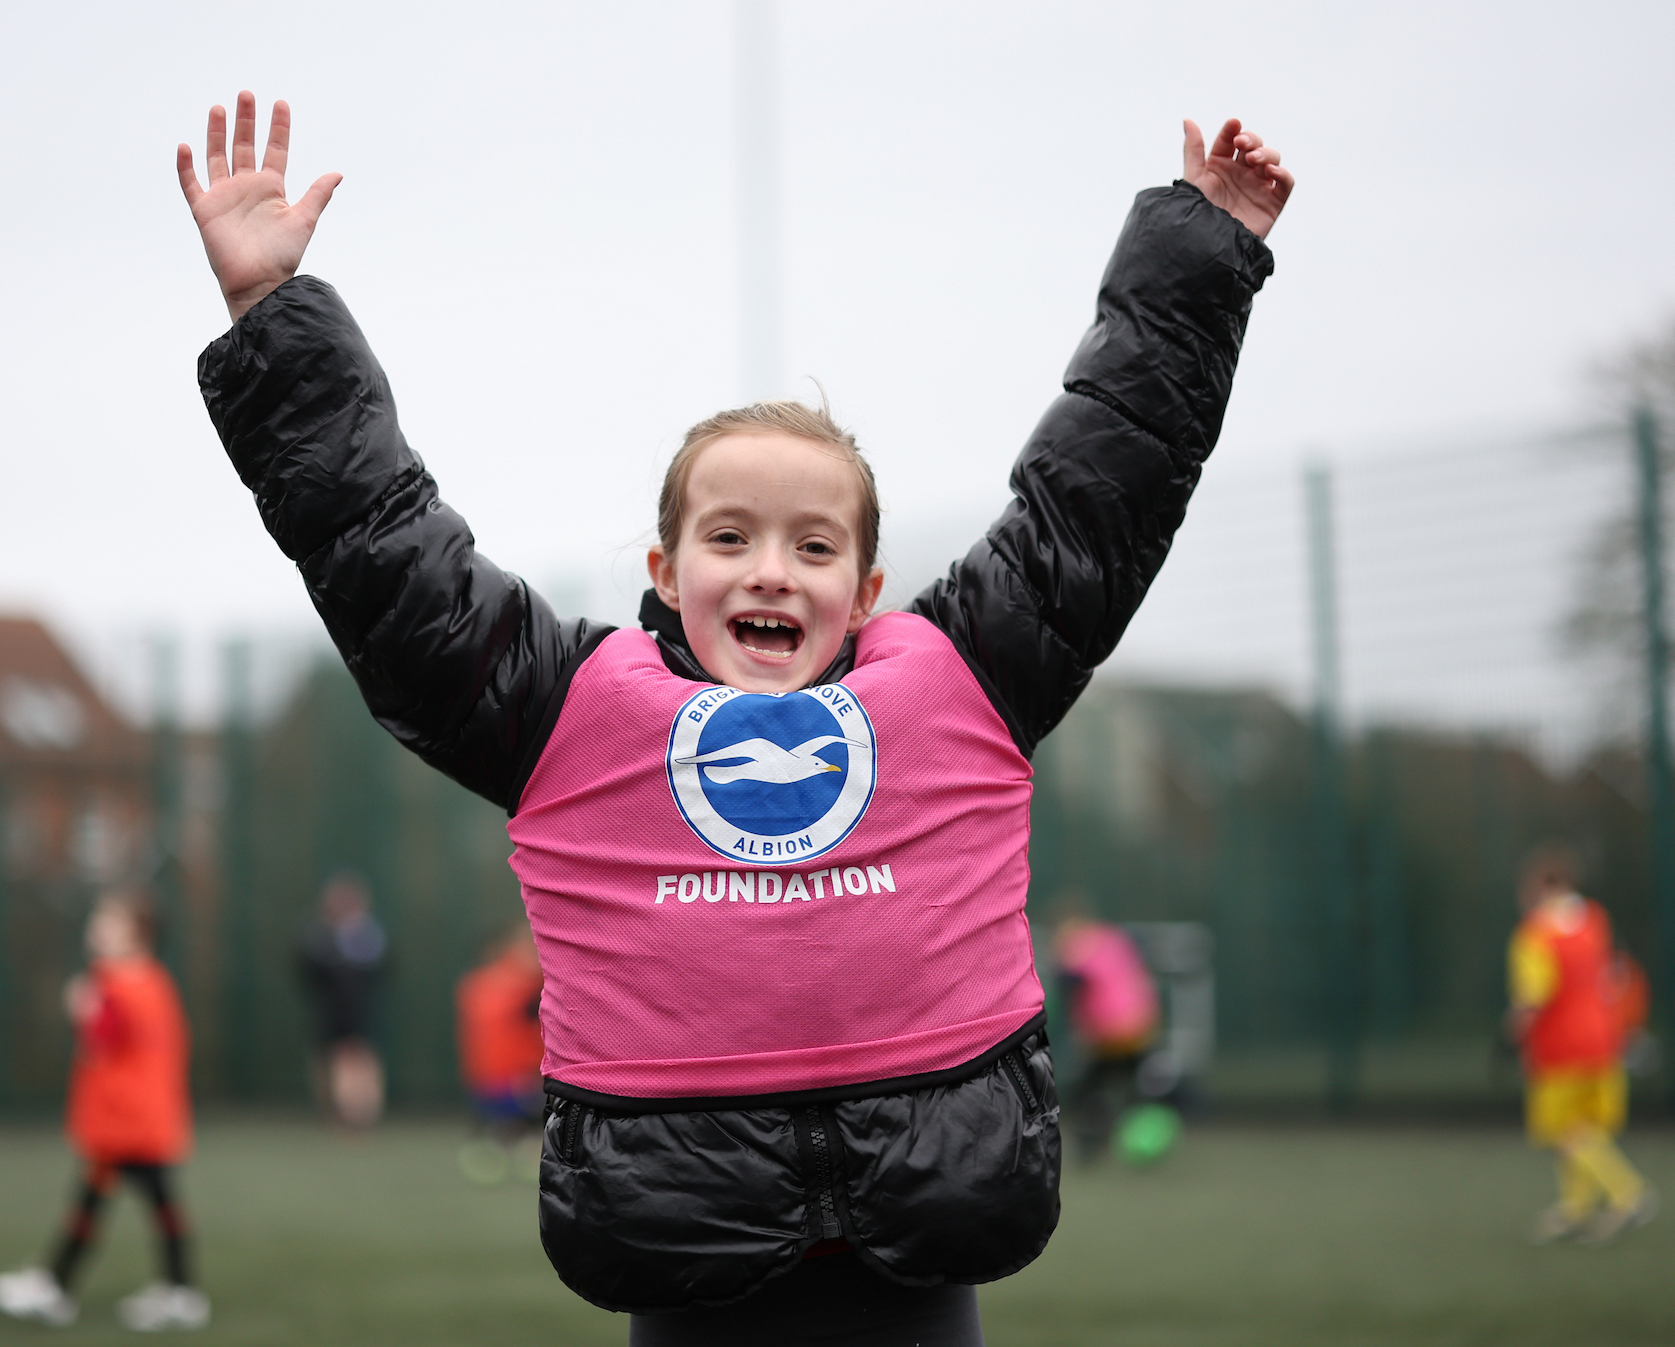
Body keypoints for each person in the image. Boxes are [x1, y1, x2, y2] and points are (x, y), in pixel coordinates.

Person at [178, 90, 1289, 1344]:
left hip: (925, 1251)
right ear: (663, 571)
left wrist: (1201, 254)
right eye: (729, 536)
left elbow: (1105, 485)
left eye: (813, 545)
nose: (770, 569)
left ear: (866, 590)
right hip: (683, 1257)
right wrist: (270, 313)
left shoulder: (960, 674)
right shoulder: (569, 711)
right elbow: (382, 549)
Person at [0, 893, 208, 1332]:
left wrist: (80, 1008)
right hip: (142, 1114)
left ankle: (69, 1287)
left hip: (127, 1119)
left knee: (140, 1198)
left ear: (137, 933)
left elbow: (101, 1041)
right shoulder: (154, 981)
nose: (97, 927)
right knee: (126, 1198)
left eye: (108, 921)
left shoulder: (116, 984)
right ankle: (66, 1284)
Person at [1507, 845, 1654, 1245]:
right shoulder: (1594, 920)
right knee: (1586, 1128)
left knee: (1566, 1132)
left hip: (1560, 1047)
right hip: (1604, 1041)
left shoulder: (1534, 934)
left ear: (1539, 886)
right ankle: (1577, 1207)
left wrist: (1513, 1036)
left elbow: (1534, 995)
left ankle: (1628, 1192)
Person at [1053, 915, 1159, 1162]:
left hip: (1111, 1031)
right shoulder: (1112, 939)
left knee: (1091, 1090)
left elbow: (1072, 981)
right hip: (1139, 1022)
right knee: (1129, 1086)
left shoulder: (1078, 946)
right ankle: (1143, 1136)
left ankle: (1092, 1141)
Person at [295, 872, 388, 1128]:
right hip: (329, 1014)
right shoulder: (319, 936)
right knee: (326, 1065)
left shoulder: (369, 936)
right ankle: (334, 1114)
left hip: (358, 1015)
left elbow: (380, 969)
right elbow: (308, 970)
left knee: (357, 1065)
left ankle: (358, 1116)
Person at [456, 921, 545, 1183]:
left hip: (492, 1079)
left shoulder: (475, 985)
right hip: (509, 1079)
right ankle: (510, 1139)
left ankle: (508, 1139)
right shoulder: (513, 984)